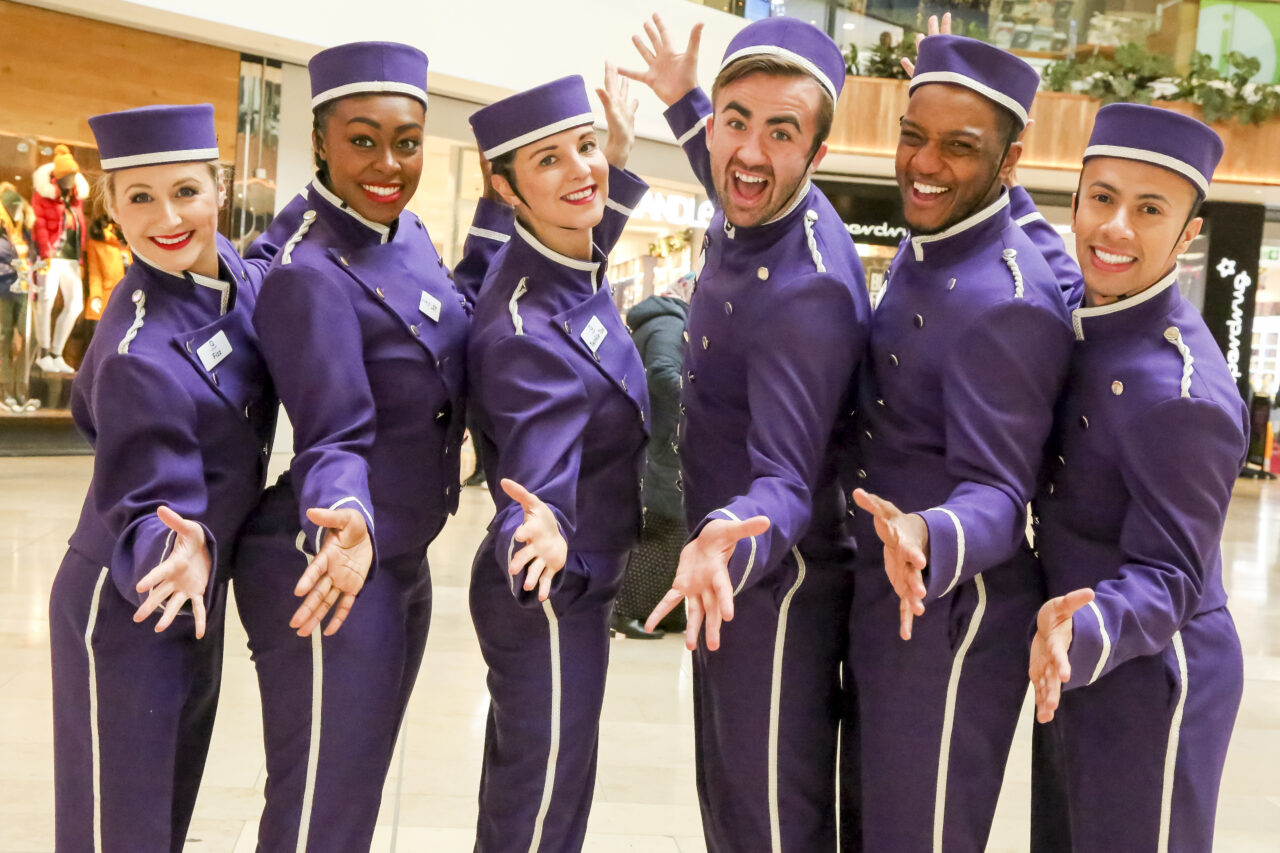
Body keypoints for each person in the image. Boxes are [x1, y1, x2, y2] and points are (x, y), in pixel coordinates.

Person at [231, 41, 511, 852]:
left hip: (399, 554)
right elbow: (331, 433)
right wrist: (346, 512)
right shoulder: (308, 270)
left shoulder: (407, 230)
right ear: (320, 139)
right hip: (328, 559)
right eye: (362, 139)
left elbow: (460, 308)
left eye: (408, 141)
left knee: (351, 789)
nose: (388, 163)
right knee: (323, 803)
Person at [623, 15, 870, 849]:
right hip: (721, 571)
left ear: (817, 154)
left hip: (771, 579)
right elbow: (724, 154)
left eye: (782, 132)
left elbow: (788, 481)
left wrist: (727, 536)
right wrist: (683, 100)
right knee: (726, 789)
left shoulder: (806, 290)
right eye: (736, 122)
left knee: (765, 809)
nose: (749, 154)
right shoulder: (749, 185)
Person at [47, 103, 301, 853]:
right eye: (140, 198)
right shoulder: (136, 347)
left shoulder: (239, 274)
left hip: (199, 589)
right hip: (134, 591)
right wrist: (174, 548)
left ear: (219, 188)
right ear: (110, 207)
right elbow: (144, 489)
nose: (168, 216)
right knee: (117, 826)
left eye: (186, 191)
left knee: (166, 809)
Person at [845, 35, 1074, 851]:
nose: (923, 163)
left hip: (951, 613)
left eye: (958, 146)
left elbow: (1001, 498)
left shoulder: (1005, 300)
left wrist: (926, 531)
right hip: (888, 600)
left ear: (1009, 162)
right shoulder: (929, 239)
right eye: (914, 134)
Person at [1028, 103, 1246, 853]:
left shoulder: (1181, 394)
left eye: (1149, 209)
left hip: (1153, 671)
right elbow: (1019, 227)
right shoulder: (1079, 299)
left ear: (1188, 235)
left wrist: (1080, 633)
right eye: (1102, 198)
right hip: (1072, 658)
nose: (1115, 227)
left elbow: (1171, 576)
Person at [465, 68, 651, 852]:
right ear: (507, 190)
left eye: (585, 147)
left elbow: (586, 242)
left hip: (578, 583)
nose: (581, 170)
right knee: (539, 803)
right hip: (547, 584)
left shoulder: (564, 263)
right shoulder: (524, 328)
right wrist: (538, 524)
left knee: (546, 787)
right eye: (550, 161)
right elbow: (535, 470)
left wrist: (622, 157)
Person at [611, 273, 693, 639]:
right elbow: (662, 374)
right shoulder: (670, 324)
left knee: (675, 526)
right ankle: (629, 610)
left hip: (656, 435)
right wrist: (697, 403)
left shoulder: (661, 321)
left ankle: (667, 612)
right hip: (663, 437)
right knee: (662, 526)